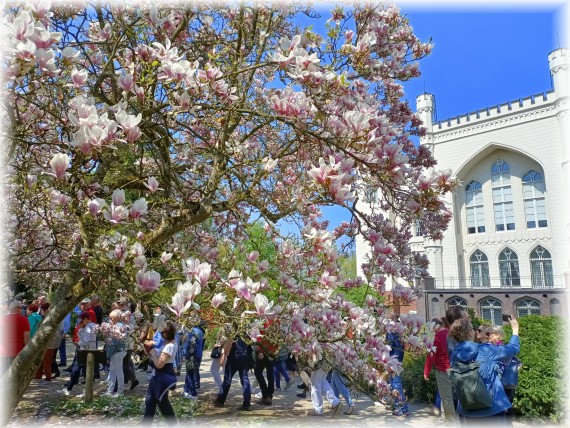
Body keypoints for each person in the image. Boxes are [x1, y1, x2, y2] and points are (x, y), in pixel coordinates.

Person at [449, 317, 520, 424]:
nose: (474, 331)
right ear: (469, 332)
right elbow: (513, 349)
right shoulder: (486, 350)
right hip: (492, 408)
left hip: (467, 408)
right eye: (473, 329)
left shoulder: (454, 354)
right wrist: (515, 330)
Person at [142, 321, 177, 425]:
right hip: (157, 376)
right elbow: (153, 358)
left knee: (162, 401)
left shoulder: (169, 346)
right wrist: (147, 349)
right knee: (150, 401)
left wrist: (152, 353)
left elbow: (159, 364)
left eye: (160, 331)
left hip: (163, 376)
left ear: (165, 333)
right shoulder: (165, 344)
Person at [423, 316, 457, 422]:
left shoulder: (436, 337)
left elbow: (431, 356)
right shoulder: (452, 333)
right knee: (456, 395)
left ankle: (450, 421)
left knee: (446, 397)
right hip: (455, 368)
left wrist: (426, 372)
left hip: (443, 369)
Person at [59, 312, 98, 396]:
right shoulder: (91, 326)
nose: (80, 322)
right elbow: (82, 337)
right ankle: (71, 387)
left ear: (86, 319)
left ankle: (71, 388)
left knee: (77, 370)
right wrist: (80, 329)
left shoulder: (89, 327)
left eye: (82, 320)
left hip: (85, 351)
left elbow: (86, 340)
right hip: (87, 350)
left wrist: (78, 343)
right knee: (83, 371)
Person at [213, 332, 253, 411]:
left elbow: (229, 343)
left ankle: (221, 400)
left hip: (234, 357)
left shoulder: (234, 331)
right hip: (244, 357)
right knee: (245, 380)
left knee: (227, 380)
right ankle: (247, 403)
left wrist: (224, 356)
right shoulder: (246, 332)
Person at [386, 314, 410, 417]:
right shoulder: (396, 330)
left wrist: (393, 364)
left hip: (394, 361)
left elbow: (394, 348)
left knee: (396, 385)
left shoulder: (394, 331)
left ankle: (403, 409)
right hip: (394, 360)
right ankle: (397, 407)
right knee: (394, 385)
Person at [102, 309, 127, 397]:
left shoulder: (120, 325)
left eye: (111, 318)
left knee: (118, 370)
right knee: (112, 370)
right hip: (113, 350)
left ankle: (120, 391)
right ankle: (110, 390)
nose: (110, 320)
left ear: (117, 318)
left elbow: (120, 338)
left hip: (118, 350)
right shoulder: (113, 325)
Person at [0, 300, 30, 369]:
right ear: (17, 309)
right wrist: (27, 350)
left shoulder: (1, 319)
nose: (22, 310)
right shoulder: (24, 319)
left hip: (3, 352)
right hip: (18, 351)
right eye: (21, 308)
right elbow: (26, 336)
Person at [182, 319, 205, 399]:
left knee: (190, 374)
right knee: (189, 373)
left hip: (193, 356)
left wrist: (185, 355)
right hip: (198, 354)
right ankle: (186, 390)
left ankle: (193, 394)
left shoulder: (193, 332)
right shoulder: (200, 331)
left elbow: (192, 346)